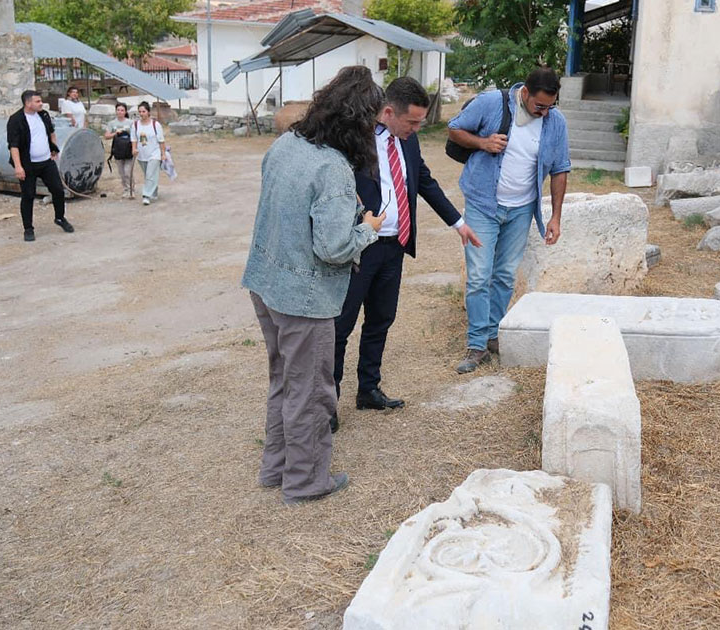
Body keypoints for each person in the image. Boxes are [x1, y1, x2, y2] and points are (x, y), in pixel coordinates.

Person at [240, 66, 386, 505]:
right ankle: (305, 482)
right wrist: (368, 227)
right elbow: (334, 246)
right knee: (311, 393)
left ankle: (277, 469)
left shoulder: (287, 143)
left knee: (284, 380)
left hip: (266, 283)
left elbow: (288, 203)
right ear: (358, 122)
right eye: (373, 122)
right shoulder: (334, 169)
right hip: (304, 298)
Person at [332, 77, 482, 429]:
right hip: (359, 248)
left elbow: (425, 182)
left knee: (381, 319)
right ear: (388, 112)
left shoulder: (408, 143)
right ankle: (327, 402)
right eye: (412, 122)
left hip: (394, 247)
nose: (417, 129)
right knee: (341, 327)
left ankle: (368, 389)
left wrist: (458, 223)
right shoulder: (355, 141)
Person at [446, 67, 570, 373]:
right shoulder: (492, 103)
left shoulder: (555, 122)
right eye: (540, 105)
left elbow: (560, 168)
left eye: (550, 106)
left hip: (521, 208)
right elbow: (454, 128)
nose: (544, 112)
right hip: (483, 203)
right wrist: (482, 143)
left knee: (503, 275)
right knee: (479, 275)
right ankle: (476, 345)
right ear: (525, 93)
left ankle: (492, 334)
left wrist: (555, 215)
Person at [6, 89, 75, 242]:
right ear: (28, 103)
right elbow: (13, 145)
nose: (41, 104)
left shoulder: (43, 115)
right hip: (28, 165)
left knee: (58, 190)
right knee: (28, 196)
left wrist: (54, 148)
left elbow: (51, 132)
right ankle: (28, 228)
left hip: (46, 162)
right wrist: (18, 167)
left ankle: (60, 218)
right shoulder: (16, 120)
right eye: (37, 101)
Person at [130, 102, 166, 206]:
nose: (141, 114)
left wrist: (163, 154)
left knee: (150, 174)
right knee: (148, 175)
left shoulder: (155, 125)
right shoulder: (135, 125)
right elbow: (134, 139)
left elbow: (161, 140)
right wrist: (134, 149)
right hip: (142, 154)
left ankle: (146, 195)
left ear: (148, 112)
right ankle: (153, 192)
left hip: (154, 153)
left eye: (144, 111)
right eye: (140, 111)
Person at [103, 103, 135, 198]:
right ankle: (125, 189)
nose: (120, 112)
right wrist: (115, 133)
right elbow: (106, 136)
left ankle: (131, 190)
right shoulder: (112, 123)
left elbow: (135, 135)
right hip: (118, 149)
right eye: (118, 110)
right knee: (121, 172)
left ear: (125, 112)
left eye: (122, 110)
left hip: (128, 149)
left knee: (128, 171)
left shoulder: (130, 123)